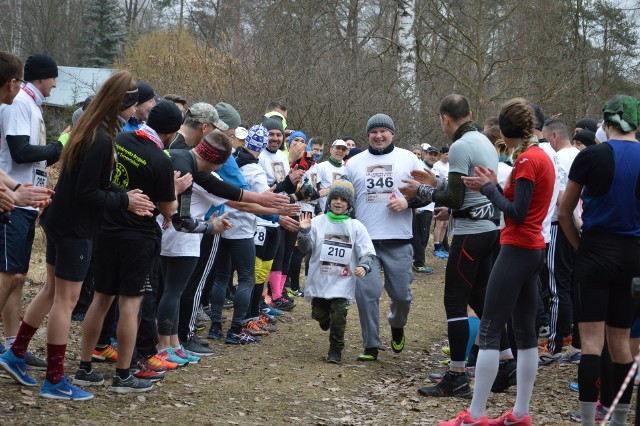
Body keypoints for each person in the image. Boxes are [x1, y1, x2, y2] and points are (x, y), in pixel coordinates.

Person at [0, 71, 157, 400]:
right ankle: (55, 380)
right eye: (134, 105)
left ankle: (15, 354)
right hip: (75, 227)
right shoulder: (100, 139)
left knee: (50, 291)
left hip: (60, 220)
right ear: (123, 104)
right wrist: (123, 200)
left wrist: (124, 197)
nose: (136, 112)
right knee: (65, 302)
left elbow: (92, 183)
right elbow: (88, 193)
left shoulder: (90, 129)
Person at [439, 98, 555, 426]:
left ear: (504, 129)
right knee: (526, 334)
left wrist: (489, 188)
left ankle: (474, 416)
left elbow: (516, 211)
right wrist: (495, 183)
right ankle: (520, 413)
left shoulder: (529, 161)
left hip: (518, 248)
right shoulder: (538, 156)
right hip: (533, 247)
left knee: (489, 330)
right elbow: (522, 202)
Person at [71, 101, 190, 393]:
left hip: (107, 229)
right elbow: (167, 208)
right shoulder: (161, 160)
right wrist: (176, 190)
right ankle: (123, 375)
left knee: (100, 299)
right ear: (172, 133)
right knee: (130, 304)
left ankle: (84, 366)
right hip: (138, 238)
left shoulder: (121, 139)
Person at [400, 95, 503, 398]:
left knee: (455, 302)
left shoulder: (459, 146)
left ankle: (456, 374)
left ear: (445, 118)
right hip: (490, 229)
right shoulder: (484, 140)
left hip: (471, 234)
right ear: (471, 113)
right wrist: (437, 183)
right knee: (482, 299)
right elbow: (470, 193)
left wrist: (423, 190)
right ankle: (506, 359)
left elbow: (456, 199)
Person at [558, 95, 640, 426]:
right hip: (633, 255)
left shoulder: (590, 155)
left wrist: (580, 247)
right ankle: (619, 420)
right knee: (621, 343)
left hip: (594, 250)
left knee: (591, 344)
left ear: (605, 123)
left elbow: (564, 212)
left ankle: (590, 421)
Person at [0, 53, 67, 371]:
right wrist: (60, 144)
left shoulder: (30, 104)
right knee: (9, 274)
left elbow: (37, 159)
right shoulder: (18, 104)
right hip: (11, 202)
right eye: (53, 77)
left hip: (23, 199)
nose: (55, 84)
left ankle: (13, 346)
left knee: (17, 277)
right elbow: (20, 151)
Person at [342, 113, 425, 361]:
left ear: (392, 134)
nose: (379, 136)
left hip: (398, 239)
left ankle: (397, 325)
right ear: (367, 135)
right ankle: (370, 345)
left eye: (383, 131)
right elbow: (342, 198)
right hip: (365, 242)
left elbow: (428, 193)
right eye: (373, 132)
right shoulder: (354, 163)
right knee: (366, 294)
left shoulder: (408, 158)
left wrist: (407, 202)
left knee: (401, 296)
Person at [297, 178, 375, 363]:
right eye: (335, 198)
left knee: (339, 317)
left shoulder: (356, 226)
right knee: (319, 314)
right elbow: (304, 249)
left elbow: (367, 251)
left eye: (343, 199)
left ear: (349, 203)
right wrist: (304, 232)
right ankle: (324, 318)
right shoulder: (317, 222)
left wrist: (364, 266)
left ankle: (335, 351)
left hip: (343, 282)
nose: (338, 202)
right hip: (320, 280)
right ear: (330, 201)